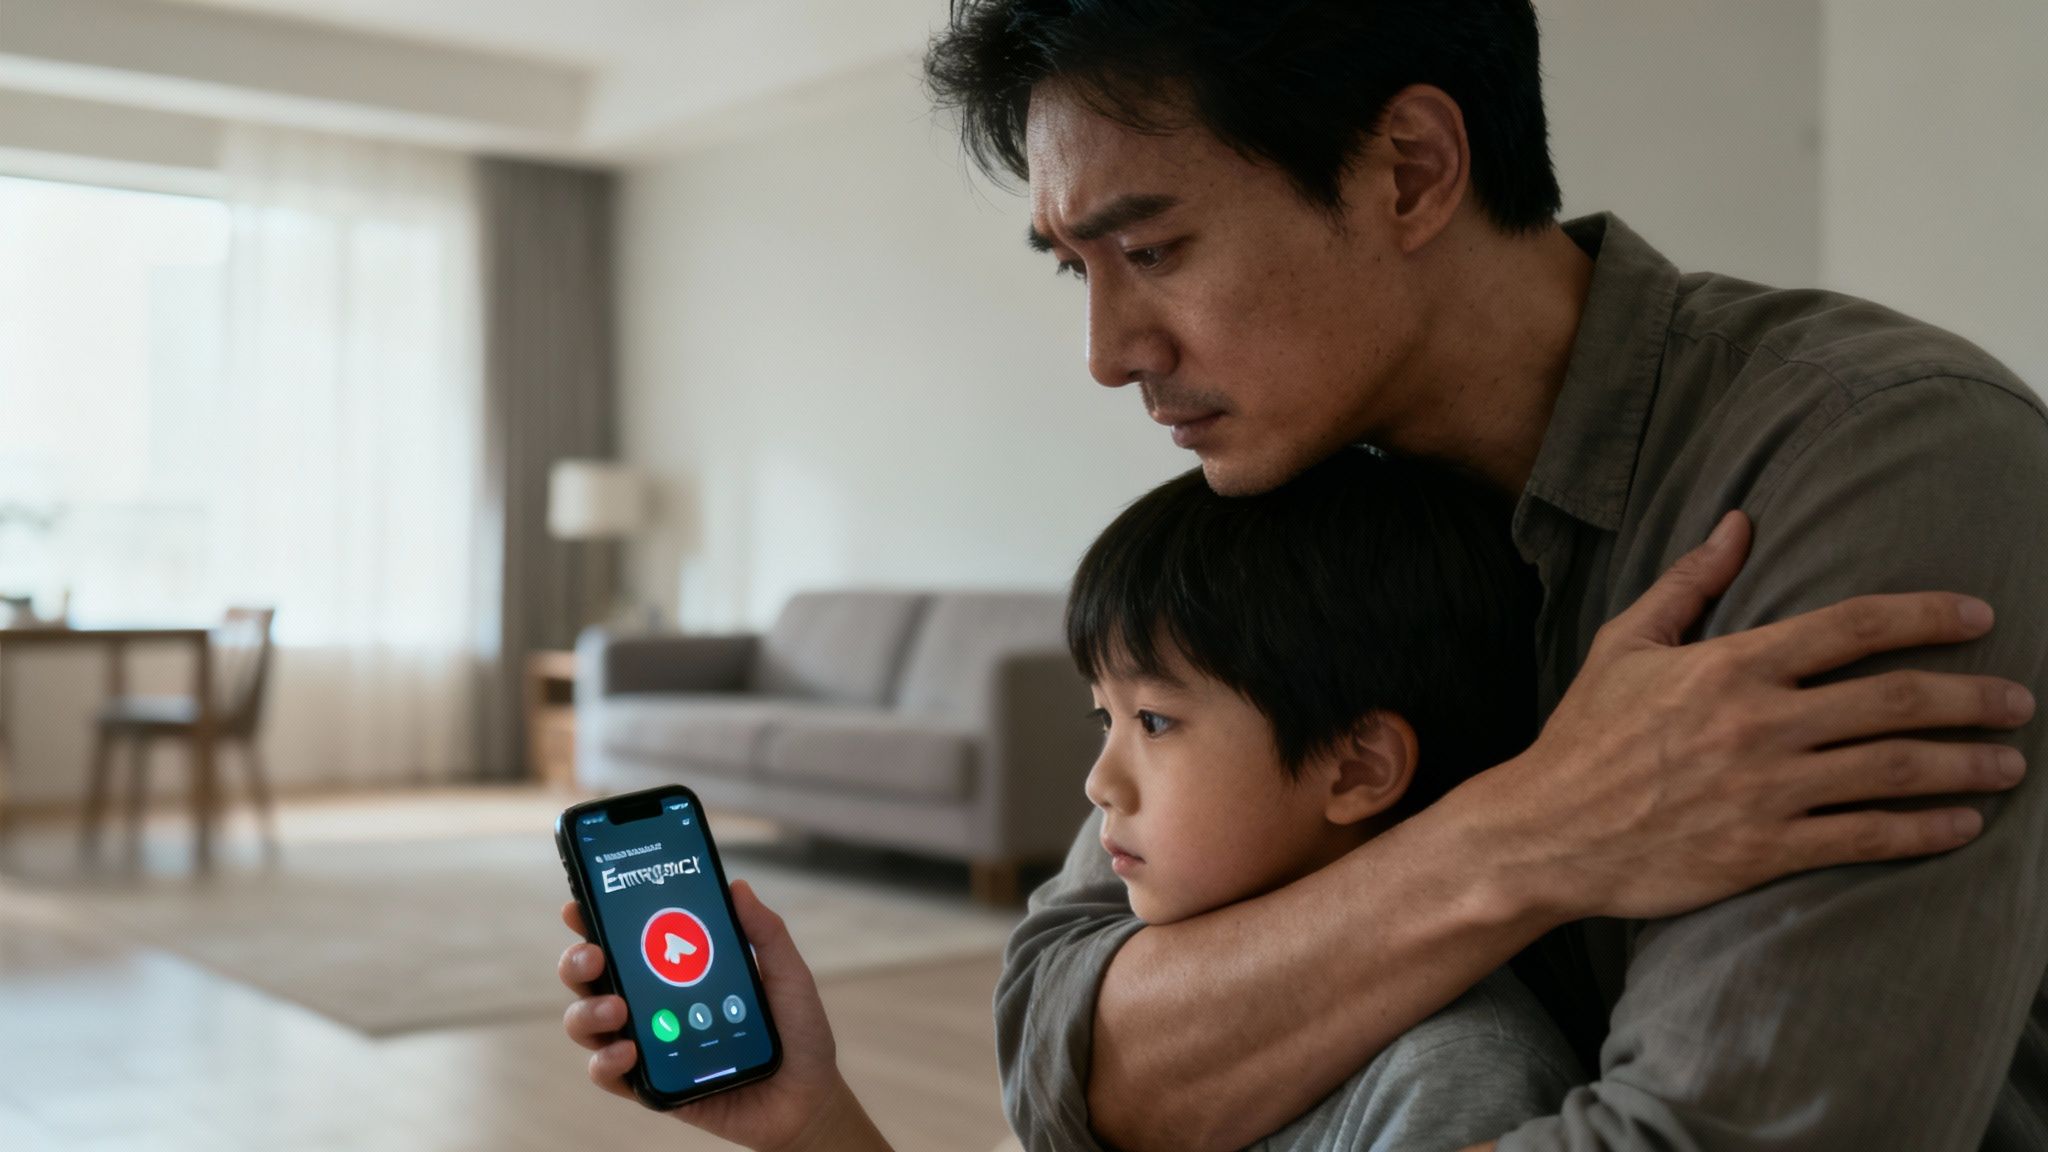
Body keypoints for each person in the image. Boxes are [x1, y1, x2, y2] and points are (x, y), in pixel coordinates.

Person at [904, 1, 2048, 1150]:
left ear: (1409, 171)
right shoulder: (1285, 494)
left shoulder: (1876, 454)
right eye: (1076, 271)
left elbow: (1727, 1137)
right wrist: (1532, 831)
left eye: (1151, 252)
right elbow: (1065, 1049)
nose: (1108, 355)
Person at [564, 448, 1610, 1151]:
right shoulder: (1169, 992)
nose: (1097, 782)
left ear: (1354, 768)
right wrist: (810, 1118)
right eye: (1097, 720)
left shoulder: (1449, 1086)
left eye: (1153, 723)